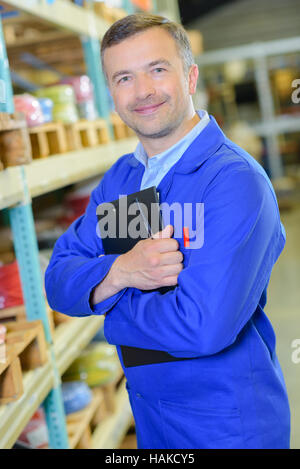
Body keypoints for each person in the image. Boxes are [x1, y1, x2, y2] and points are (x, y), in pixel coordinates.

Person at [45, 13, 291, 449]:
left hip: (226, 425)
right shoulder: (123, 180)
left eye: (157, 69)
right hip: (153, 420)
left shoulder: (231, 181)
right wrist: (120, 272)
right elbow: (59, 281)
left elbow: (203, 328)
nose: (142, 92)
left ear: (191, 75)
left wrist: (107, 315)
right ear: (111, 93)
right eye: (124, 77)